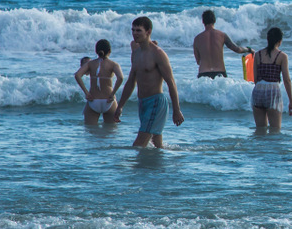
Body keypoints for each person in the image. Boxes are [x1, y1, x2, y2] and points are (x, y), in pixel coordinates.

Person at [114, 17, 184, 148]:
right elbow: (130, 82)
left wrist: (177, 110)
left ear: (148, 32)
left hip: (156, 102)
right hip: (142, 103)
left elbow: (171, 82)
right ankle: (158, 168)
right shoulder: (136, 53)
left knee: (139, 144)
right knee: (156, 145)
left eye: (139, 30)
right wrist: (120, 106)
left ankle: (134, 169)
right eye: (133, 30)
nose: (135, 33)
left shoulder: (158, 54)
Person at [251, 27, 292, 129]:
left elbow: (255, 78)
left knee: (260, 130)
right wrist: (291, 102)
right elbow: (286, 80)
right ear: (280, 41)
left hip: (258, 90)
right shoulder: (282, 56)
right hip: (273, 91)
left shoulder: (258, 55)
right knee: (275, 130)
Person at [74, 39, 123, 125]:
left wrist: (86, 92)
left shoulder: (90, 64)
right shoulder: (113, 64)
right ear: (109, 51)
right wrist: (113, 93)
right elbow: (121, 78)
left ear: (96, 51)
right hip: (108, 100)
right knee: (110, 133)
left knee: (91, 133)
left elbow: (77, 75)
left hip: (93, 100)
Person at [193, 9, 250, 78]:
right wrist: (248, 49)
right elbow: (237, 49)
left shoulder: (197, 39)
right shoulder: (222, 35)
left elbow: (198, 61)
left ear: (203, 22)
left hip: (203, 75)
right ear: (215, 21)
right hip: (220, 74)